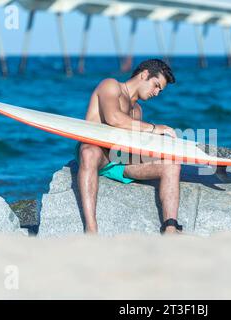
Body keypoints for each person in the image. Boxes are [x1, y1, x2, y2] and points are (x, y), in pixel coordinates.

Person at [75, 59, 182, 235]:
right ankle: (91, 230)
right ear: (145, 74)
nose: (157, 93)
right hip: (96, 153)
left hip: (119, 159)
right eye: (156, 86)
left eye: (160, 90)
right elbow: (114, 118)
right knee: (89, 152)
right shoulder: (110, 86)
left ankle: (170, 228)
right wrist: (154, 128)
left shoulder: (137, 110)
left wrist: (163, 147)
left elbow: (133, 144)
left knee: (171, 164)